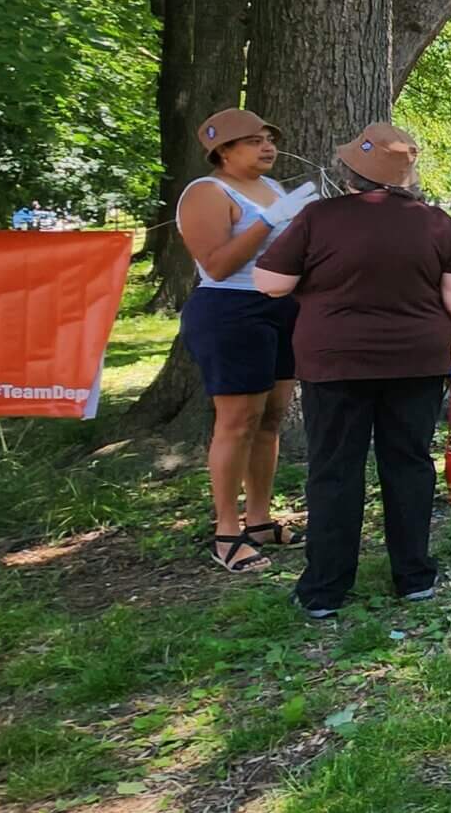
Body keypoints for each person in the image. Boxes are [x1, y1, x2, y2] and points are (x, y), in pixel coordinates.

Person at [255, 123, 451, 617]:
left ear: (349, 172)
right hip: (416, 361)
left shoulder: (318, 218)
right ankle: (414, 576)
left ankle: (324, 590)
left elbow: (269, 281)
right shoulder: (436, 222)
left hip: (334, 362)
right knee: (409, 464)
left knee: (334, 469)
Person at [177, 108, 317, 572]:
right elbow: (216, 264)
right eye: (254, 141)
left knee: (271, 417)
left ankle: (259, 519)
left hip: (281, 308)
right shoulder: (206, 192)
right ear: (224, 151)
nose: (268, 147)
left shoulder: (273, 188)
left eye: (269, 138)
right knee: (238, 420)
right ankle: (227, 531)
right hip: (230, 310)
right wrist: (270, 220)